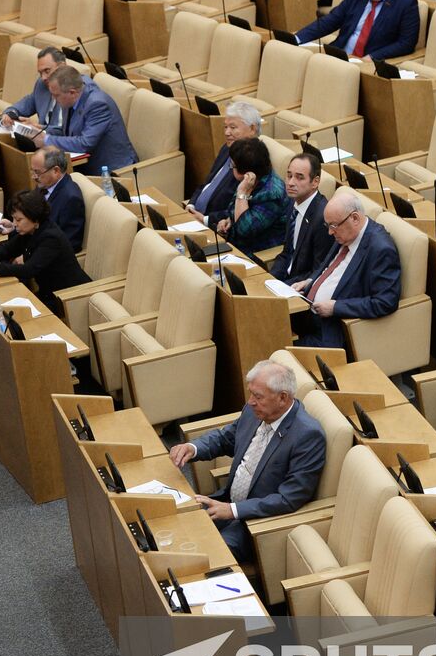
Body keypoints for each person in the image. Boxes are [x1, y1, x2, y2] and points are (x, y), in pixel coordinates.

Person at [167, 360, 327, 560]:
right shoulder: (255, 410)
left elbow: (290, 498)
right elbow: (226, 438)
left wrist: (233, 510)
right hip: (225, 502)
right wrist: (193, 447)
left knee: (208, 555)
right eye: (251, 393)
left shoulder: (307, 435)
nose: (250, 401)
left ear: (283, 398)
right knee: (176, 526)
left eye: (258, 396)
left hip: (253, 523)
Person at [294, 192, 402, 348]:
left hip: (331, 328)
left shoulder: (381, 249)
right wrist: (311, 282)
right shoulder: (346, 232)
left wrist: (336, 307)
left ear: (355, 218)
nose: (330, 232)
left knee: (281, 347)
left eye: (333, 226)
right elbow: (328, 265)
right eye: (328, 225)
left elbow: (385, 302)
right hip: (306, 311)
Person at [0, 189, 91, 315]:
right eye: (13, 219)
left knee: (14, 313)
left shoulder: (51, 238)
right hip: (48, 293)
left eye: (19, 220)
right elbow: (9, 248)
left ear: (35, 219)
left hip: (69, 297)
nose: (14, 224)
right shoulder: (30, 230)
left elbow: (28, 270)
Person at [295, 0, 419, 62]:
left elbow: (406, 43)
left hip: (367, 61)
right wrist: (298, 38)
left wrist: (374, 57)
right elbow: (331, 20)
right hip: (340, 55)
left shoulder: (406, 4)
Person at [36, 65, 137, 175]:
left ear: (72, 93)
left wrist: (46, 140)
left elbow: (85, 144)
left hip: (115, 171)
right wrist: (42, 130)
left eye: (56, 95)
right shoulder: (71, 98)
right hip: (86, 165)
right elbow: (69, 131)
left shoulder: (97, 104)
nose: (53, 99)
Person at [186, 102, 261, 227]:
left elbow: (238, 207)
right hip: (194, 214)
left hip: (215, 225)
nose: (227, 132)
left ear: (252, 129)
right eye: (225, 127)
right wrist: (191, 205)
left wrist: (205, 219)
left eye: (232, 127)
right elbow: (208, 184)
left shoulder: (254, 161)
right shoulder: (227, 149)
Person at [218, 137, 288, 257]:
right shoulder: (252, 181)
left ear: (247, 173)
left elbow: (244, 230)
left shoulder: (271, 194)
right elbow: (232, 210)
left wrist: (242, 192)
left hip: (257, 256)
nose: (231, 168)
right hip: (237, 247)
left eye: (233, 165)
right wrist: (228, 222)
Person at [271, 151, 331, 284]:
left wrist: (284, 286)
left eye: (299, 177)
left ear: (315, 182)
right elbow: (287, 253)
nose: (291, 182)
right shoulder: (293, 202)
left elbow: (319, 271)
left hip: (301, 287)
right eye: (289, 175)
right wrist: (270, 279)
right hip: (286, 278)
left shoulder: (323, 218)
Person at [18, 147, 85, 251]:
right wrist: (16, 225)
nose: (34, 177)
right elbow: (32, 217)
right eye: (33, 171)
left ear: (56, 171)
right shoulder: (43, 185)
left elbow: (70, 244)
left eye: (37, 172)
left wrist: (29, 257)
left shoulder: (71, 199)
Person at [0, 46, 67, 131]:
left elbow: (67, 132)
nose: (43, 77)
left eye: (47, 71)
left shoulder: (75, 91)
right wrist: (9, 115)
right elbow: (21, 107)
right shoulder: (42, 85)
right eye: (40, 73)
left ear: (62, 67)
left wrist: (38, 127)